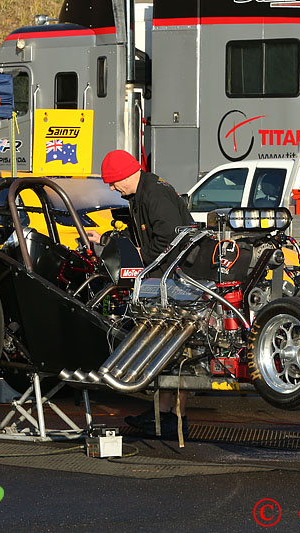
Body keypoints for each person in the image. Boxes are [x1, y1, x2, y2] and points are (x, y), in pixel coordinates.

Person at [86, 149, 194, 438]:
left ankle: (176, 417)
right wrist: (106, 239)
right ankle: (162, 411)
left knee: (173, 347)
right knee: (164, 348)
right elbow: (146, 239)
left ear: (124, 175)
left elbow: (170, 241)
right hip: (164, 277)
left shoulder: (154, 195)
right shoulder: (141, 193)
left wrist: (138, 254)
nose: (112, 188)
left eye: (113, 182)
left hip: (175, 279)